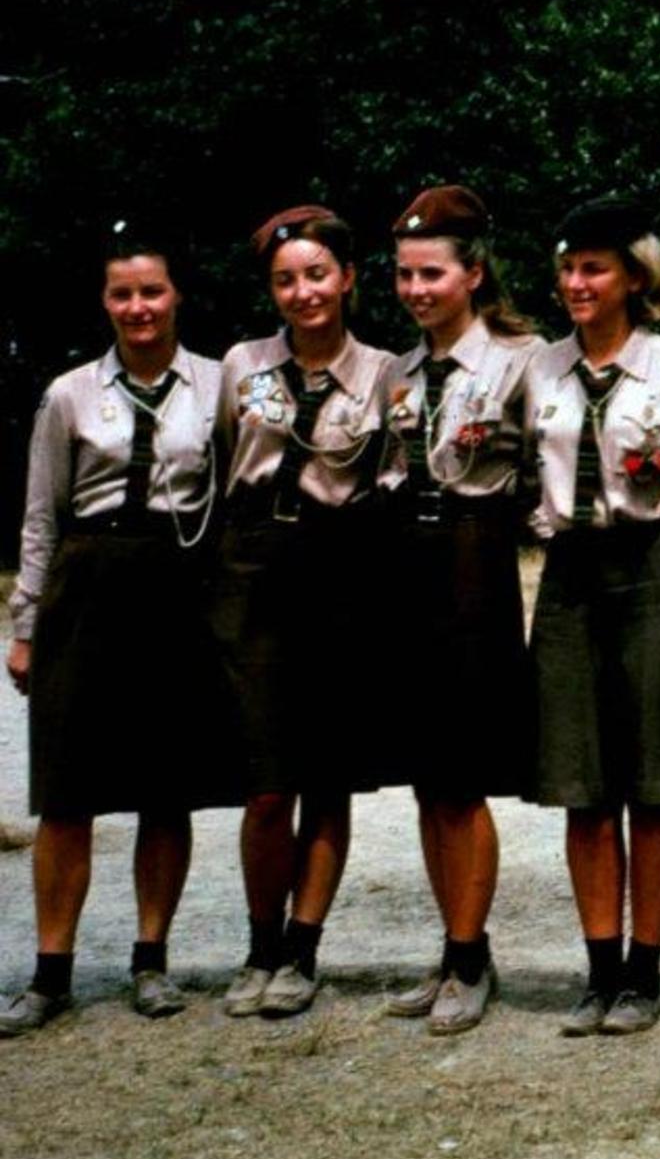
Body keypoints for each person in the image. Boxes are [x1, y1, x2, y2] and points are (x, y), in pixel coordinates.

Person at [0, 222, 229, 1035]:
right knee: (68, 792)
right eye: (122, 294)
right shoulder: (69, 394)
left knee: (166, 788)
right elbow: (40, 517)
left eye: (152, 291)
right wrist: (25, 626)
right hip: (86, 588)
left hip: (175, 588)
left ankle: (151, 960)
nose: (139, 308)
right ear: (104, 301)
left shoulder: (216, 385)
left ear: (177, 296)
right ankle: (51, 973)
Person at [522, 196, 660, 1038]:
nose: (577, 284)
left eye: (594, 270)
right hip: (572, 570)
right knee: (583, 781)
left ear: (636, 278)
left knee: (654, 781)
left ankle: (644, 972)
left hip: (656, 570)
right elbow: (514, 462)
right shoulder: (541, 368)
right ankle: (599, 967)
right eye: (568, 269)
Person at [211, 204, 398, 1019]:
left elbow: (392, 473)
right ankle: (260, 943)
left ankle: (302, 949)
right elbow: (222, 461)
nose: (303, 292)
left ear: (348, 278)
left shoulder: (384, 372)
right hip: (254, 566)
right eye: (286, 280)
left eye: (318, 275)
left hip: (338, 569)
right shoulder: (244, 365)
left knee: (325, 776)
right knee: (264, 784)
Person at [379, 185, 541, 1035]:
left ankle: (472, 957)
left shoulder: (523, 361)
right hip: (408, 560)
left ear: (473, 274)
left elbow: (556, 459)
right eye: (406, 275)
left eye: (432, 274)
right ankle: (451, 946)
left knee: (461, 778)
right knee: (424, 776)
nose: (417, 290)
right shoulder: (399, 372)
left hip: (475, 560)